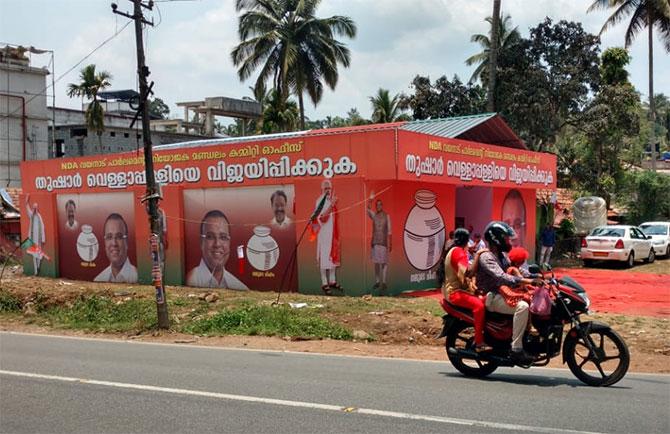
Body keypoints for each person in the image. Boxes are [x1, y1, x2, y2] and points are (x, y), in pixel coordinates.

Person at [476, 221, 543, 365]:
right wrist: (527, 282)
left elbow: (514, 268)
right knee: (523, 306)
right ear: (496, 239)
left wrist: (535, 276)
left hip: (503, 293)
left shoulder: (501, 255)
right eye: (506, 238)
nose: (508, 241)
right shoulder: (487, 257)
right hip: (492, 296)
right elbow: (501, 276)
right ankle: (516, 349)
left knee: (531, 298)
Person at [438, 228, 491, 352]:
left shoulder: (455, 250)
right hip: (455, 293)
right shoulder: (458, 252)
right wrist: (478, 255)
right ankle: (479, 342)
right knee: (479, 306)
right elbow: (467, 272)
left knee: (485, 299)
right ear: (467, 240)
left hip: (455, 291)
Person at [186, 210, 248, 290]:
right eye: (210, 237)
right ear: (201, 242)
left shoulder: (239, 287)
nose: (217, 244)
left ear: (229, 242)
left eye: (223, 237)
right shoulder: (192, 281)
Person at [312, 179, 341, 295]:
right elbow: (322, 218)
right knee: (324, 259)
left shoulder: (331, 199)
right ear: (322, 189)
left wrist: (333, 203)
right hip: (324, 236)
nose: (328, 190)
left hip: (332, 235)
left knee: (332, 258)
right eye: (325, 188)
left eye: (329, 188)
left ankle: (332, 281)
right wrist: (332, 205)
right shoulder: (320, 201)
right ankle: (324, 283)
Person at [94, 213, 138, 283]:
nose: (114, 243)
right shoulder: (99, 280)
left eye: (119, 237)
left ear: (126, 241)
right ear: (105, 242)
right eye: (109, 237)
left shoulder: (137, 279)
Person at [367, 198, 392, 293]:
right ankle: (377, 281)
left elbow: (389, 231)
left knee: (384, 262)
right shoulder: (374, 216)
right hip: (375, 242)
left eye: (380, 204)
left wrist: (391, 243)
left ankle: (384, 282)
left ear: (382, 206)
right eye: (377, 205)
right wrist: (370, 200)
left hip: (384, 242)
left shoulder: (387, 216)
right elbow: (368, 210)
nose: (378, 206)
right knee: (376, 262)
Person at [25, 194, 46, 275]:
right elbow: (27, 209)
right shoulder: (31, 216)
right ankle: (36, 271)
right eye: (33, 208)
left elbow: (43, 228)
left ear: (37, 208)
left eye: (35, 208)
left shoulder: (39, 217)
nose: (34, 209)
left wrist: (43, 238)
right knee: (34, 255)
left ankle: (38, 267)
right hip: (33, 239)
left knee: (39, 255)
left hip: (39, 239)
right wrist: (26, 202)